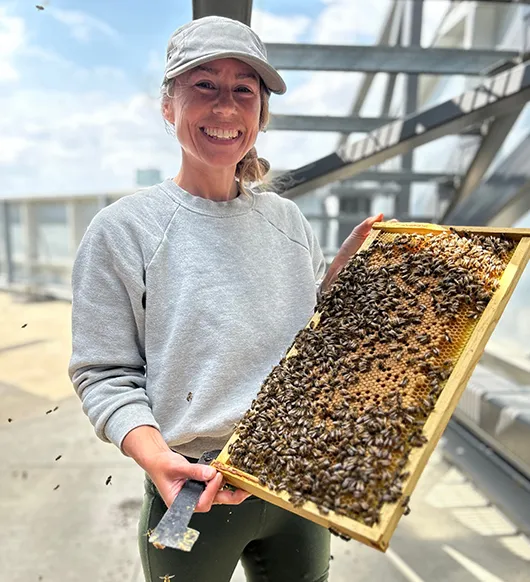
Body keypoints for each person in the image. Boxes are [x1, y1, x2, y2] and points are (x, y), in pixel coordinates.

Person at [69, 15, 386, 582]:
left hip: (294, 476)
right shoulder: (124, 229)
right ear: (169, 106)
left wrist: (344, 283)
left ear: (261, 113)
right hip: (192, 487)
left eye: (245, 90)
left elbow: (306, 334)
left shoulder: (286, 219)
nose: (225, 107)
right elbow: (104, 373)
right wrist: (156, 459)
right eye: (204, 86)